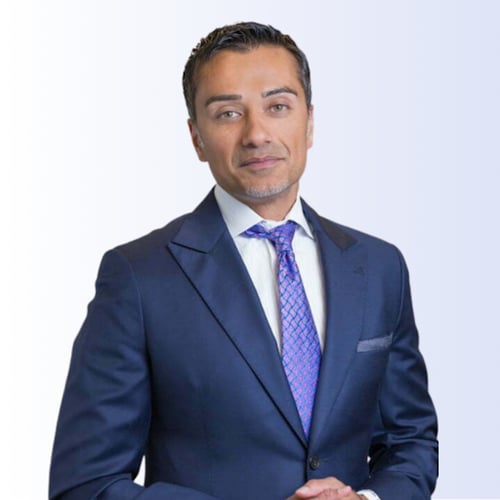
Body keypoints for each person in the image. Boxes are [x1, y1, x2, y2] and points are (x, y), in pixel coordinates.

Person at [49, 21, 438, 500]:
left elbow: (409, 441)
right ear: (196, 137)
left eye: (278, 107)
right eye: (229, 113)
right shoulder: (139, 277)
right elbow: (86, 484)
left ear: (309, 122)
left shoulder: (378, 267)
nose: (257, 134)